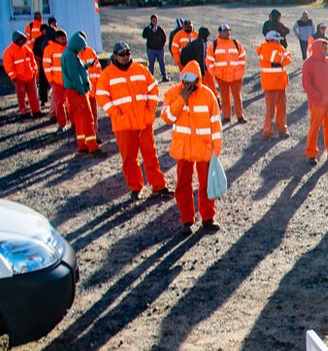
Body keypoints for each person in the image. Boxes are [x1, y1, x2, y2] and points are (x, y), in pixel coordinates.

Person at [96, 42, 172, 200]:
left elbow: (153, 88)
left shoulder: (141, 69)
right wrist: (115, 113)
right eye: (122, 54)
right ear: (115, 56)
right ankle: (136, 187)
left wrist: (150, 110)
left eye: (128, 53)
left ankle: (159, 186)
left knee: (150, 155)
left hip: (144, 122)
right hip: (123, 124)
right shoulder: (107, 74)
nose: (126, 57)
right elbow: (101, 96)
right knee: (129, 158)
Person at [161, 61, 223, 235]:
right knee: (183, 184)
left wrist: (216, 149)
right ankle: (187, 220)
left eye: (192, 79)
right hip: (183, 149)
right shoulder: (173, 93)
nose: (188, 83)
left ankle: (208, 218)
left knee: (206, 184)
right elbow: (167, 117)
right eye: (185, 79)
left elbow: (216, 125)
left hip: (203, 149)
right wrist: (182, 99)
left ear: (198, 79)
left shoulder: (208, 95)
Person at [60, 32, 104, 156]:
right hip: (77, 91)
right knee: (87, 117)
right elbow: (74, 76)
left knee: (79, 118)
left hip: (72, 91)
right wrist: (82, 89)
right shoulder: (71, 56)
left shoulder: (69, 55)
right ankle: (92, 147)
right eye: (80, 46)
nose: (81, 49)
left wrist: (85, 66)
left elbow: (75, 70)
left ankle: (82, 144)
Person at [302, 38, 328, 165]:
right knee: (315, 127)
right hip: (318, 103)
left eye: (327, 48)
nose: (326, 51)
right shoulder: (308, 63)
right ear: (318, 48)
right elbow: (306, 84)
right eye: (324, 48)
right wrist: (316, 95)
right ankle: (311, 154)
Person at [206, 24, 247, 123]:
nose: (228, 33)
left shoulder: (236, 43)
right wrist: (215, 73)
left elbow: (243, 58)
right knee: (225, 97)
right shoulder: (214, 45)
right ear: (220, 32)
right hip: (222, 77)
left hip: (235, 76)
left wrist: (240, 72)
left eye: (228, 31)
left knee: (237, 97)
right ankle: (226, 116)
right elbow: (209, 61)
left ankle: (240, 116)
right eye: (225, 31)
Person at [256, 31, 293, 138]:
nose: (278, 42)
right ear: (270, 40)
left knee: (282, 107)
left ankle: (282, 129)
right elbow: (280, 58)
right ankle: (267, 131)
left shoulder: (278, 48)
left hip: (280, 83)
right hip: (271, 84)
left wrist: (282, 59)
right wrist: (282, 59)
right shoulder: (265, 49)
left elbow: (288, 56)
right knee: (270, 109)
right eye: (276, 40)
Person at [4, 31, 42, 119]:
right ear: (15, 40)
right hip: (19, 78)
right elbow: (8, 66)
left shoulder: (27, 49)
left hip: (30, 77)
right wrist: (13, 77)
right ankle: (23, 112)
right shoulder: (9, 52)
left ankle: (36, 111)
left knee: (34, 95)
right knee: (21, 96)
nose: (22, 41)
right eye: (20, 39)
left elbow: (33, 62)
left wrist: (34, 71)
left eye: (23, 39)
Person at [179, 27, 217, 96]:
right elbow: (200, 58)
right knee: (201, 85)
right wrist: (201, 72)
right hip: (198, 68)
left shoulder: (197, 41)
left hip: (193, 67)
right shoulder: (201, 43)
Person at [43, 29, 69, 129]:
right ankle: (62, 123)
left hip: (68, 81)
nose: (64, 40)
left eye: (65, 38)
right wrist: (51, 80)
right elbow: (46, 66)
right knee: (59, 103)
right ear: (57, 38)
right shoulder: (49, 49)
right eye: (62, 38)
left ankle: (72, 122)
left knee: (70, 103)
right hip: (57, 81)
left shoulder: (68, 48)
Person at [78, 40, 103, 141]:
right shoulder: (74, 55)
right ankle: (85, 137)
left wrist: (98, 87)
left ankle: (94, 135)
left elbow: (98, 70)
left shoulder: (90, 52)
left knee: (94, 114)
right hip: (82, 92)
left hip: (92, 91)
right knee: (84, 115)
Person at [32, 17, 57, 107]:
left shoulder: (50, 39)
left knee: (51, 83)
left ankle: (50, 100)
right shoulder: (39, 40)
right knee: (43, 82)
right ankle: (43, 99)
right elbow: (35, 52)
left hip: (51, 64)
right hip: (43, 63)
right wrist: (40, 60)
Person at [142, 14, 169, 81]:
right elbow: (144, 36)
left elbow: (164, 37)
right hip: (151, 49)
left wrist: (162, 45)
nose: (155, 21)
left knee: (162, 62)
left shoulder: (160, 29)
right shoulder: (148, 28)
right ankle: (150, 78)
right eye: (154, 20)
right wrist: (151, 31)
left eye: (156, 20)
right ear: (151, 20)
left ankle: (164, 76)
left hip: (160, 49)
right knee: (151, 63)